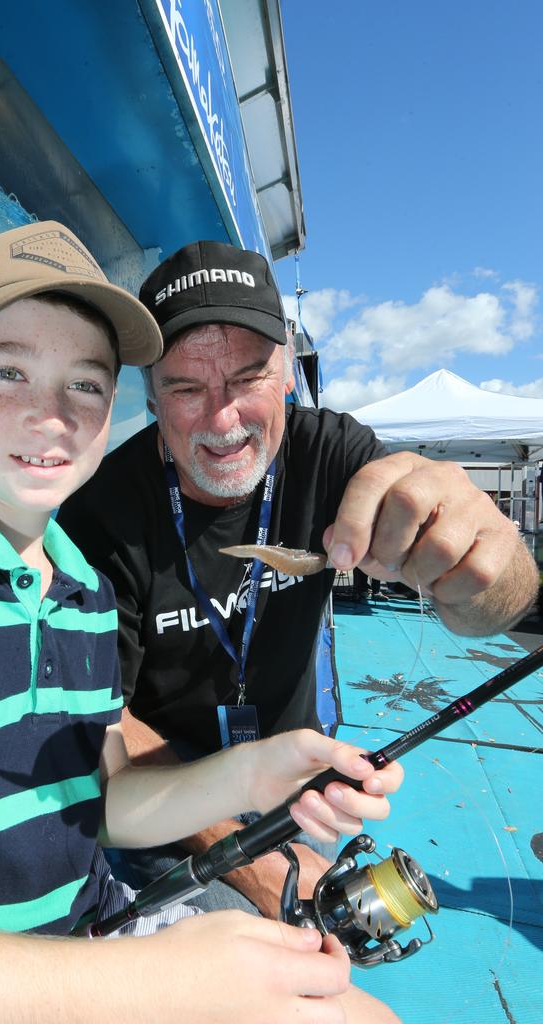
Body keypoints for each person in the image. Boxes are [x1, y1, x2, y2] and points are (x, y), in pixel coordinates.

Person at [0, 222, 405, 1024]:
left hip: (96, 933)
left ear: (114, 409)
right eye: (8, 371)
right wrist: (152, 983)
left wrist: (256, 772)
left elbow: (101, 806)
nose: (51, 414)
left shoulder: (82, 586)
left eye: (85, 384)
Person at [57, 238, 540, 919]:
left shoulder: (331, 451)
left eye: (247, 378)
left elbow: (504, 606)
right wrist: (251, 857)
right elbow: (107, 721)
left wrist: (484, 567)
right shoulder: (99, 515)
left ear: (285, 369)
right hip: (170, 788)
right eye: (187, 388)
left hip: (302, 770)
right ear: (151, 395)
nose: (222, 421)